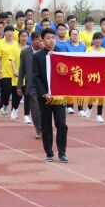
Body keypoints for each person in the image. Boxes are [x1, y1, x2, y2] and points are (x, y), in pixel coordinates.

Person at [33, 29, 69, 163]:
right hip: (45, 97)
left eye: (53, 38)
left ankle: (62, 152)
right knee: (46, 124)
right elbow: (35, 77)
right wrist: (44, 92)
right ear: (43, 40)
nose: (51, 40)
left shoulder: (61, 54)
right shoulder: (37, 56)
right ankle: (49, 152)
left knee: (61, 124)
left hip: (59, 96)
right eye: (48, 38)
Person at [19, 31, 44, 137]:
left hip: (43, 84)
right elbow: (22, 69)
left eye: (42, 40)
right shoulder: (25, 52)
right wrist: (19, 85)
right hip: (32, 84)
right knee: (35, 108)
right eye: (39, 40)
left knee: (44, 108)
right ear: (33, 41)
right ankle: (39, 130)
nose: (41, 42)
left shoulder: (46, 52)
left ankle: (44, 127)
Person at [85, 32, 105, 122]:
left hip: (101, 75)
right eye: (96, 39)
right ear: (93, 40)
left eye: (100, 39)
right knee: (92, 94)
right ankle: (89, 107)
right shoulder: (88, 50)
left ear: (102, 40)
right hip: (91, 75)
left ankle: (99, 114)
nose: (98, 40)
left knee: (101, 95)